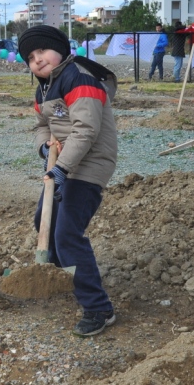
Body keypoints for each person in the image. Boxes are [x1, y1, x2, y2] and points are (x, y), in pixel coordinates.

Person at [20, 24, 119, 337]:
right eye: (30, 57)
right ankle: (58, 276)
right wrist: (44, 146)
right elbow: (41, 125)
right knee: (43, 221)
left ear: (61, 49)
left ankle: (98, 308)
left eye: (42, 51)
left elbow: (85, 131)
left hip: (89, 165)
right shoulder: (44, 88)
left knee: (66, 234)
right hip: (64, 164)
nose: (37, 60)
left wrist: (61, 169)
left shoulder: (79, 77)